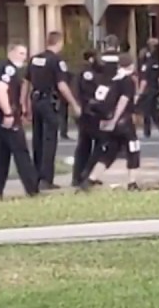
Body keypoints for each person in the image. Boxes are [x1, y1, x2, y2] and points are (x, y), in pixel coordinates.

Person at [0, 42, 41, 199]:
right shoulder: (8, 69)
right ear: (11, 52)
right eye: (21, 53)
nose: (24, 57)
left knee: (2, 157)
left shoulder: (9, 69)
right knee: (21, 153)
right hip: (7, 118)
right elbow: (0, 89)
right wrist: (8, 113)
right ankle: (32, 190)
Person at [81, 53, 143, 191]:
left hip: (106, 121)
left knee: (109, 152)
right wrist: (115, 119)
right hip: (123, 122)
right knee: (133, 149)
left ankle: (91, 180)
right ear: (131, 66)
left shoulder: (110, 79)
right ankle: (132, 183)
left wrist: (107, 121)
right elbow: (123, 100)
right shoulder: (127, 81)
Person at [27, 31, 80, 191]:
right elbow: (62, 85)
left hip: (35, 99)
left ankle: (35, 176)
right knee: (50, 140)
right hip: (49, 102)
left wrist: (25, 104)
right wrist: (74, 104)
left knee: (38, 139)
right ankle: (46, 178)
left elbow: (26, 82)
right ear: (59, 42)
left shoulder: (35, 59)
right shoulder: (56, 61)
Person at [71, 49, 102, 187]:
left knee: (83, 145)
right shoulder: (93, 73)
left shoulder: (78, 72)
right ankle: (88, 174)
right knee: (102, 143)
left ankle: (77, 176)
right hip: (92, 112)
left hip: (82, 111)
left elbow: (74, 90)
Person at [136, 36, 159, 138]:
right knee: (153, 110)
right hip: (154, 88)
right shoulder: (155, 61)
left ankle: (147, 131)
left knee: (147, 111)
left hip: (148, 89)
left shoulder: (146, 64)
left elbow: (144, 79)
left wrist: (139, 93)